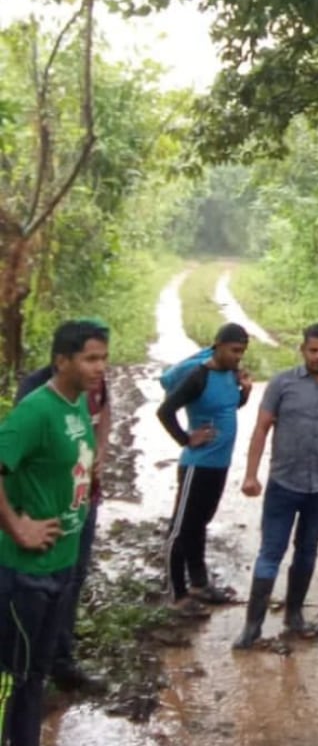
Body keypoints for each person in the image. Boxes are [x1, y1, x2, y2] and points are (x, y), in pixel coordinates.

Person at [0, 320, 108, 746]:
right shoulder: (35, 411)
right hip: (25, 572)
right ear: (61, 360)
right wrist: (18, 526)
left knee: (36, 678)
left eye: (103, 358)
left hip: (61, 566)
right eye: (90, 358)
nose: (99, 368)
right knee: (15, 677)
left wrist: (90, 464)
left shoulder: (77, 403)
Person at [233, 323, 318, 649]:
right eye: (313, 350)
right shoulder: (282, 383)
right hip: (283, 483)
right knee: (271, 553)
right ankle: (253, 626)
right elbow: (262, 428)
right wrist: (250, 475)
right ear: (302, 350)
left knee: (307, 552)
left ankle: (294, 616)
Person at [157, 323, 252, 618]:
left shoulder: (229, 375)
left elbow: (227, 407)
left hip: (219, 465)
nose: (238, 356)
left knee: (200, 523)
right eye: (234, 351)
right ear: (218, 345)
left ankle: (198, 583)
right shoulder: (198, 376)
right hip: (197, 465)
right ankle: (177, 594)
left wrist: (245, 392)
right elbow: (165, 411)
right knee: (181, 528)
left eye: (242, 352)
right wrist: (187, 438)